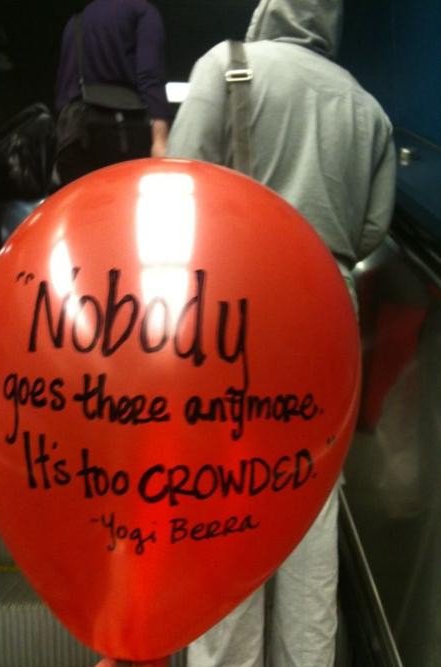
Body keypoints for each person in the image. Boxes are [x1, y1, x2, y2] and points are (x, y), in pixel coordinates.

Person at [166, 1, 396, 666]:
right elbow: (372, 231)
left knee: (224, 499)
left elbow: (181, 184)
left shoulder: (227, 65)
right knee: (311, 506)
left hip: (235, 309)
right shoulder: (367, 109)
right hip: (328, 313)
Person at [54, 0, 171, 184]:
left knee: (84, 200)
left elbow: (64, 90)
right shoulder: (143, 11)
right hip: (125, 134)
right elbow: (149, 76)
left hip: (75, 136)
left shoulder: (76, 21)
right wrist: (160, 141)